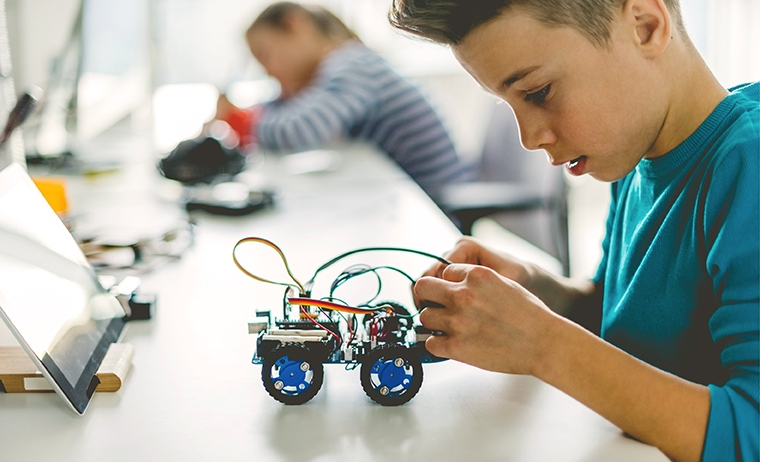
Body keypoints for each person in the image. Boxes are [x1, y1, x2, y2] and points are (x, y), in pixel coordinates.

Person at [388, 1, 759, 461]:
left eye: (539, 92)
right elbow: (626, 317)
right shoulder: (637, 153)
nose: (528, 137)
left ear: (645, 26)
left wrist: (544, 345)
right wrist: (539, 291)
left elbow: (750, 432)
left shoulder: (749, 165)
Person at [214, 1, 473, 201]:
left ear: (295, 25)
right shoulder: (343, 66)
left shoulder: (354, 63)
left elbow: (301, 129)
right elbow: (282, 107)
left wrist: (234, 118)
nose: (268, 70)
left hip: (434, 207)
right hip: (406, 196)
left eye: (265, 54)